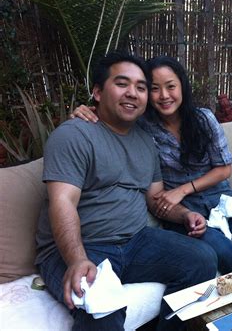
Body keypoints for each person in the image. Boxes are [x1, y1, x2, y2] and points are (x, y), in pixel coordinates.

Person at [36, 51, 218, 331]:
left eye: (141, 87)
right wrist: (77, 259)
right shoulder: (74, 135)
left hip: (135, 242)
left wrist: (184, 215)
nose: (133, 93)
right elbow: (62, 202)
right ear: (97, 92)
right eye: (122, 84)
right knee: (103, 312)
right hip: (85, 246)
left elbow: (155, 199)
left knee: (203, 259)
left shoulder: (145, 140)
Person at [72, 55, 232, 274]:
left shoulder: (203, 119)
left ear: (182, 87)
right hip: (182, 210)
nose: (164, 96)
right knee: (225, 254)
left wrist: (182, 189)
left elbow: (224, 169)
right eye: (155, 88)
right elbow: (113, 114)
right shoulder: (142, 127)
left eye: (171, 86)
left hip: (220, 198)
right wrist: (89, 109)